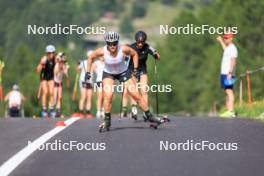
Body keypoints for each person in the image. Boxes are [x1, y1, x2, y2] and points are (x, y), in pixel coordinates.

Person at [85, 31, 163, 131]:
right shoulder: (102, 51)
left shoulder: (123, 49)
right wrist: (88, 72)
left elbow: (134, 54)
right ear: (106, 43)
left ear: (117, 42)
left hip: (123, 72)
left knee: (136, 95)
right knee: (108, 96)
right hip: (109, 73)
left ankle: (149, 116)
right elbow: (90, 57)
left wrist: (135, 69)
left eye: (114, 43)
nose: (112, 46)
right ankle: (107, 121)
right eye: (110, 43)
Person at [122, 30, 160, 120]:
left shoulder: (147, 47)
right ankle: (134, 108)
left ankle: (145, 112)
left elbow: (158, 56)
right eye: (138, 42)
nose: (140, 44)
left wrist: (155, 55)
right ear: (136, 41)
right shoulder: (131, 47)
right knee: (134, 90)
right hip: (132, 70)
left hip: (142, 69)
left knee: (144, 90)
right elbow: (124, 57)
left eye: (142, 42)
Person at [217, 32, 238, 118]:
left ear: (231, 38)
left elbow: (233, 61)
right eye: (225, 38)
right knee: (227, 91)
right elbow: (225, 49)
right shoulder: (228, 48)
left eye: (227, 38)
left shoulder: (233, 48)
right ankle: (228, 110)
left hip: (228, 73)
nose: (226, 39)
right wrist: (221, 41)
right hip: (224, 73)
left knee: (229, 91)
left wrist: (230, 72)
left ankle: (231, 111)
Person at [36, 45, 56, 117]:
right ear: (47, 53)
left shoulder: (55, 60)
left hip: (51, 78)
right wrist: (41, 64)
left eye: (53, 53)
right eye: (50, 53)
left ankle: (51, 109)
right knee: (45, 92)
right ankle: (44, 109)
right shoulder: (44, 59)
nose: (52, 54)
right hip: (44, 78)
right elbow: (37, 70)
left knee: (51, 92)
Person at [76, 51, 94, 118]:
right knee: (84, 96)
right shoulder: (83, 62)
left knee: (89, 97)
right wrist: (78, 64)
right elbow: (77, 70)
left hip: (90, 81)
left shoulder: (93, 63)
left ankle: (88, 112)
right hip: (83, 80)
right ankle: (80, 111)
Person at [54, 52, 69, 117]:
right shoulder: (57, 65)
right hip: (55, 82)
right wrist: (60, 68)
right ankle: (52, 110)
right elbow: (55, 73)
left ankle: (58, 111)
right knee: (54, 97)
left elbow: (66, 75)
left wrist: (65, 71)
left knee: (60, 97)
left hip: (60, 82)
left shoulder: (64, 65)